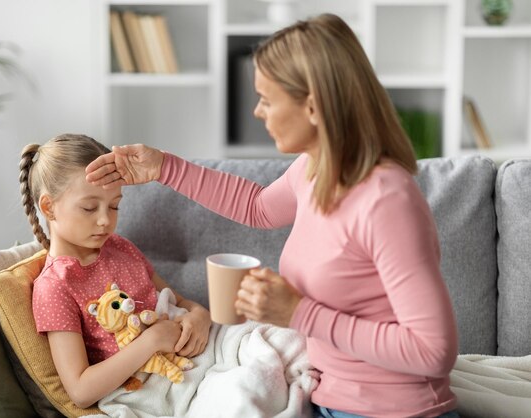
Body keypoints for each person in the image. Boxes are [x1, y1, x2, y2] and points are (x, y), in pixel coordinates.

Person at [85, 13, 460, 418]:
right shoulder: (313, 168)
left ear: (313, 106)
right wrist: (164, 168)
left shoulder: (386, 199)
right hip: (327, 397)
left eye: (266, 99)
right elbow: (257, 207)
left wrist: (299, 313)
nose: (257, 112)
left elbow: (432, 351)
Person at [19, 133, 211, 408]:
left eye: (114, 205)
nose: (105, 220)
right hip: (152, 384)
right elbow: (81, 390)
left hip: (192, 357)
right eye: (89, 207)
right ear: (49, 207)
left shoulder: (120, 248)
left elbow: (178, 301)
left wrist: (200, 315)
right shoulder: (55, 286)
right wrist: (151, 341)